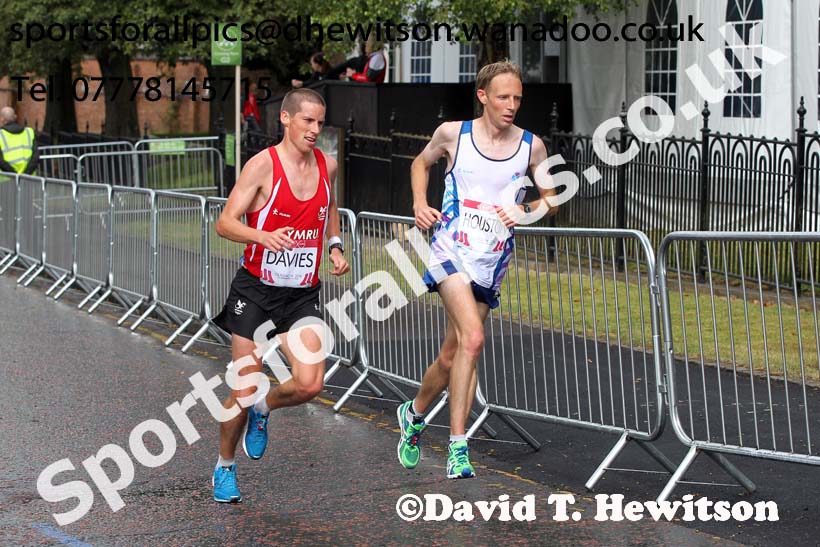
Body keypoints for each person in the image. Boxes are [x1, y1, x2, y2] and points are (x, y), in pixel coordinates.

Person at [396, 60, 557, 479]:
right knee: (474, 336)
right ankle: (458, 447)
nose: (511, 105)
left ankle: (413, 417)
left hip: (491, 261)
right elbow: (420, 163)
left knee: (454, 354)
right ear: (483, 96)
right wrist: (418, 202)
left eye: (518, 98)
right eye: (503, 96)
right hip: (450, 251)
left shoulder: (531, 146)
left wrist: (525, 210)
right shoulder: (454, 134)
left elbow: (552, 198)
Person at [211, 88, 350, 502]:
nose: (315, 130)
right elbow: (225, 222)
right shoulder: (262, 166)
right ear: (286, 119)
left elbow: (331, 210)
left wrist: (335, 246)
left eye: (320, 122)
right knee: (243, 385)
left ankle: (264, 409)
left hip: (300, 295)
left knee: (309, 384)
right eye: (307, 121)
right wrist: (262, 235)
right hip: (255, 292)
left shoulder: (329, 166)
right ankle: (224, 467)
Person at [0, 107, 38, 175]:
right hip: (30, 179)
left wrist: (15, 175)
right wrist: (25, 174)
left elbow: (1, 161)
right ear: (15, 117)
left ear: (2, 119)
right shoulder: (29, 132)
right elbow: (35, 156)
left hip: (7, 179)